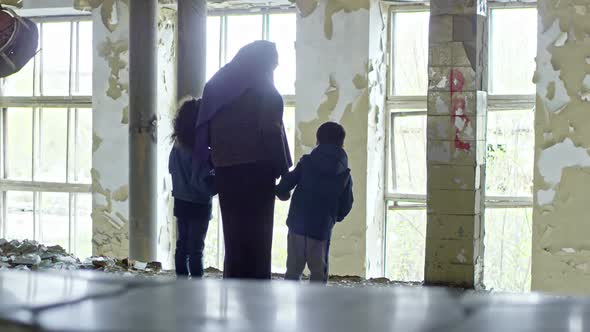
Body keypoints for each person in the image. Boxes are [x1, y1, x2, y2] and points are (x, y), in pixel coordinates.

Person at [193, 40, 292, 279]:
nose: (272, 71)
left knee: (235, 240)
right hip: (258, 173)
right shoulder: (265, 91)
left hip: (226, 173)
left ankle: (233, 292)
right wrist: (285, 172)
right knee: (258, 242)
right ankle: (257, 303)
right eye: (272, 66)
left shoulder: (217, 86)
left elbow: (202, 131)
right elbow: (271, 132)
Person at [276, 122, 353, 283]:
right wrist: (333, 217)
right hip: (321, 229)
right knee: (318, 274)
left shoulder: (306, 163)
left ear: (318, 140)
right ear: (342, 143)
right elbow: (346, 204)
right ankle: (317, 308)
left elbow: (286, 184)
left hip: (297, 225)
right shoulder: (344, 174)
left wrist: (281, 190)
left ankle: (290, 306)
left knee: (292, 272)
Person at [169, 98, 215, 277]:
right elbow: (202, 182)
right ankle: (196, 288)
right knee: (196, 249)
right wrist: (217, 184)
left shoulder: (176, 146)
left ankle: (181, 283)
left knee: (182, 246)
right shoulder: (200, 151)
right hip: (199, 204)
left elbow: (172, 170)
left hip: (181, 202)